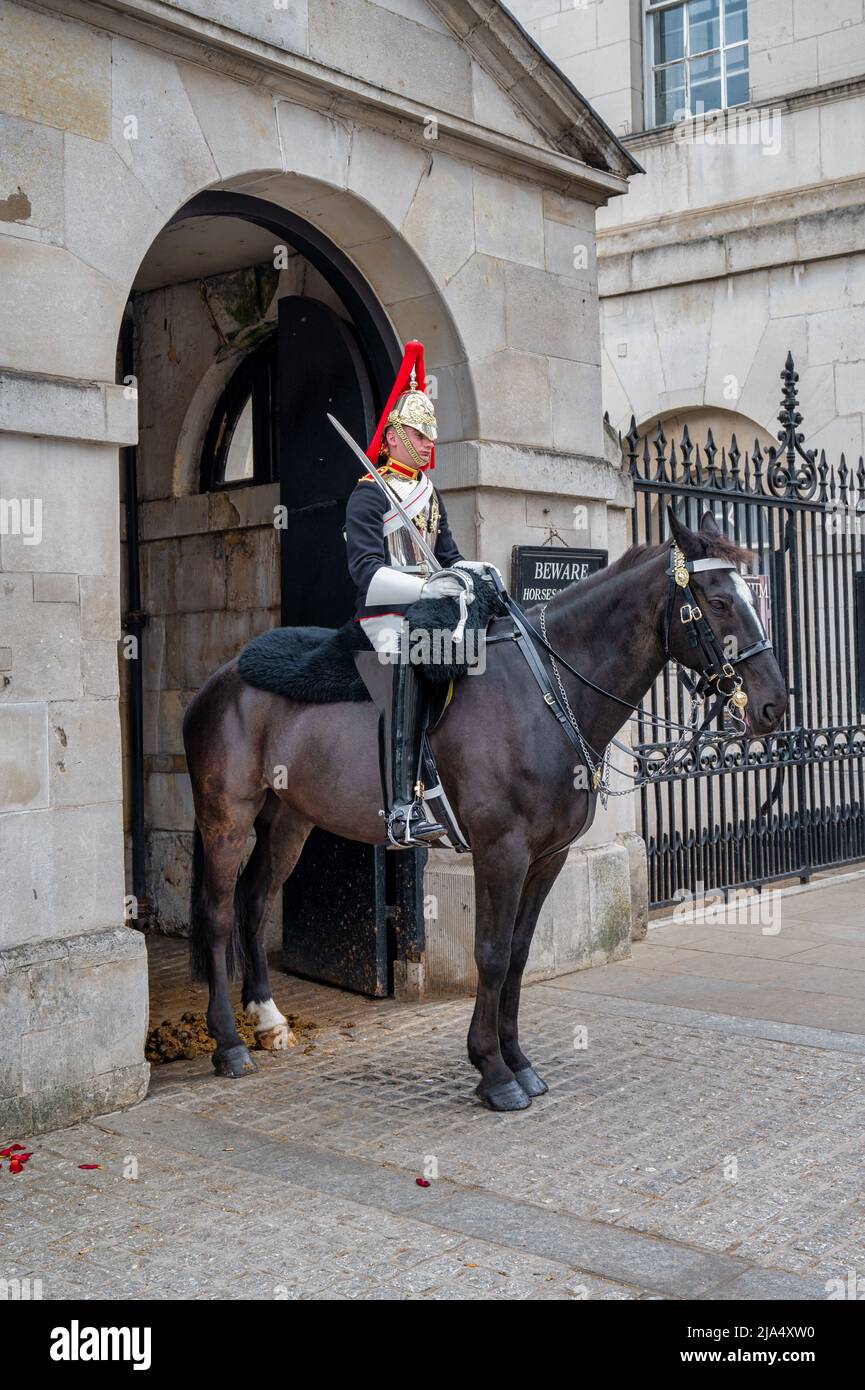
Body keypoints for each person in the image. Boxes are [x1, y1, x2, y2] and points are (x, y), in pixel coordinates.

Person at [344, 341, 487, 847]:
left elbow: (447, 554)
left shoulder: (429, 494)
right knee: (410, 656)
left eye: (431, 438)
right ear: (395, 436)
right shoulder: (368, 492)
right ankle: (402, 807)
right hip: (384, 616)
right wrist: (428, 587)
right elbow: (365, 570)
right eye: (421, 437)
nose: (430, 447)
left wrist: (474, 573)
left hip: (429, 610)